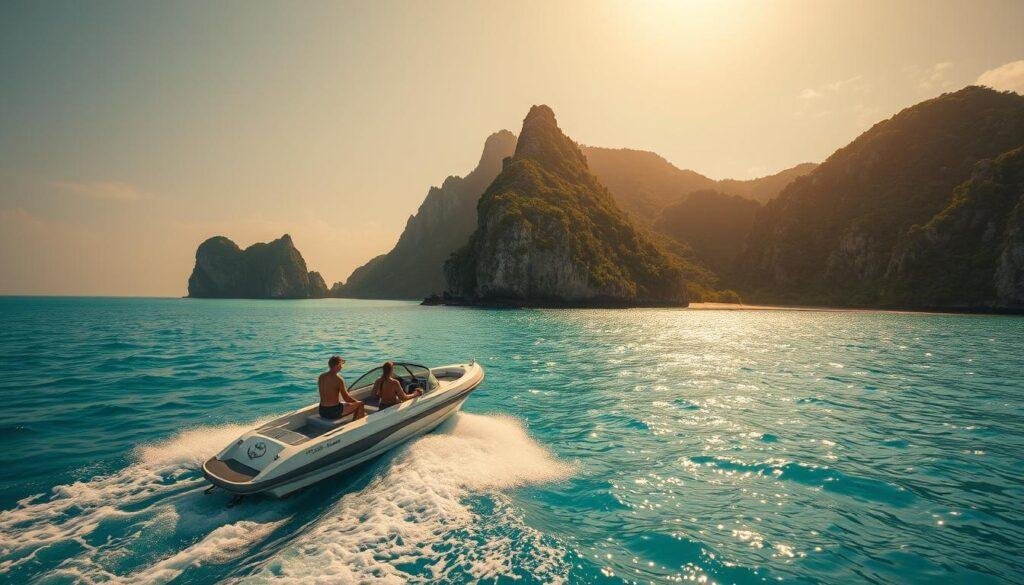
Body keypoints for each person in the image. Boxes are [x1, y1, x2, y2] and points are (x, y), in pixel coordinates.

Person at [317, 356, 365, 421]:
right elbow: (346, 398)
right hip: (333, 412)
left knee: (347, 404)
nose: (341, 367)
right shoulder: (339, 379)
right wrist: (357, 403)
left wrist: (350, 405)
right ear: (337, 366)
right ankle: (357, 426)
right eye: (340, 365)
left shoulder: (321, 376)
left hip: (322, 410)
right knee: (360, 404)